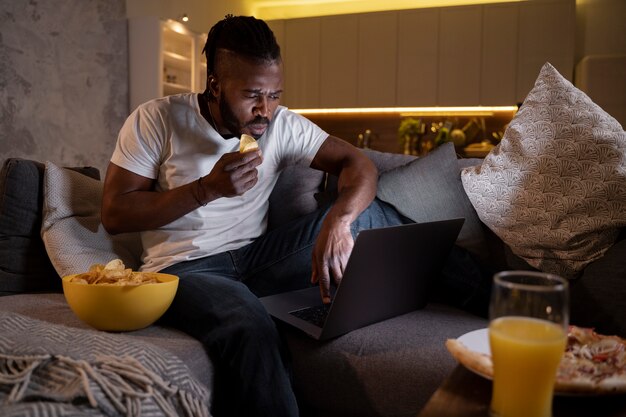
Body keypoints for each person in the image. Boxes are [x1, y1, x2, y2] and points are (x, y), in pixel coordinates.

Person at [102, 14, 491, 417]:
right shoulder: (155, 119)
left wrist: (338, 222)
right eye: (252, 94)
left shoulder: (281, 125)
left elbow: (358, 165)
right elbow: (114, 212)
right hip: (185, 270)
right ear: (215, 85)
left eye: (274, 94)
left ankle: (506, 306)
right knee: (249, 326)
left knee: (373, 215)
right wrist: (206, 189)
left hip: (259, 258)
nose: (264, 110)